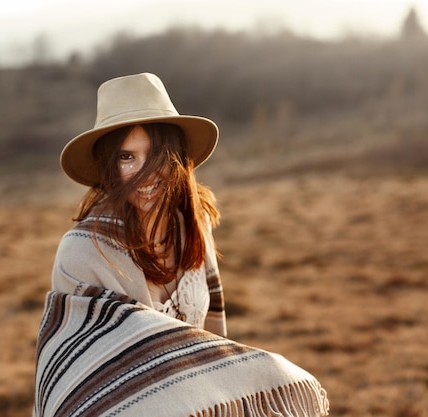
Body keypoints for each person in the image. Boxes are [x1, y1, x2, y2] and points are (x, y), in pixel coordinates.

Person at [33, 73, 329, 417]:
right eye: (126, 157)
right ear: (108, 165)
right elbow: (84, 388)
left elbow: (213, 345)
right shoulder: (82, 252)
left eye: (156, 154)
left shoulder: (193, 225)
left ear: (176, 155)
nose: (145, 174)